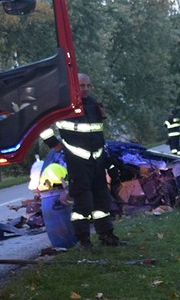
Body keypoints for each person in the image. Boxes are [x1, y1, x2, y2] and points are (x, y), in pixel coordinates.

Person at [39, 73, 122, 247]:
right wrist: (54, 144)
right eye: (81, 86)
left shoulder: (93, 104)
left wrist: (107, 161)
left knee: (102, 200)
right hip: (77, 162)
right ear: (73, 87)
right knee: (83, 202)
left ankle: (106, 236)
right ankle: (83, 240)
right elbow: (41, 124)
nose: (85, 89)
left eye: (88, 86)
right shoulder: (63, 106)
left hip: (97, 160)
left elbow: (98, 134)